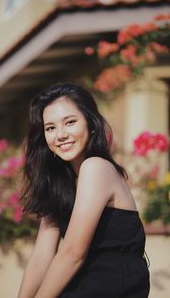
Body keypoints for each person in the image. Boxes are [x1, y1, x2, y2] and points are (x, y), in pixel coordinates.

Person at [18, 82, 150, 298]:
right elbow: (41, 256)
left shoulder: (96, 168)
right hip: (80, 285)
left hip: (111, 287)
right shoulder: (60, 182)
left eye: (69, 122)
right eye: (50, 128)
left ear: (91, 125)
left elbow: (72, 254)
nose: (60, 135)